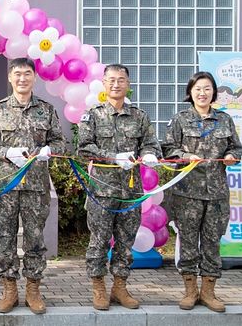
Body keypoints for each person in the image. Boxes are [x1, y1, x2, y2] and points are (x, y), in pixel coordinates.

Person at [0, 58, 66, 314]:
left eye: (27, 74)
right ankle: (9, 289)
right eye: (17, 74)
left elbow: (60, 143)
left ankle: (33, 289)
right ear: (10, 77)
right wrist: (7, 152)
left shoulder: (47, 110)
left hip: (36, 187)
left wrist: (49, 150)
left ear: (34, 77)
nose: (22, 79)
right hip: (6, 187)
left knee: (35, 239)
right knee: (5, 239)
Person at [77, 64, 162, 310]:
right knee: (99, 240)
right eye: (111, 80)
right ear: (104, 83)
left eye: (121, 80)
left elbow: (151, 144)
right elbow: (83, 147)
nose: (116, 84)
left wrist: (147, 155)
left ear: (128, 84)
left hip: (131, 192)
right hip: (102, 192)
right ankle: (99, 287)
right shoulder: (92, 115)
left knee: (126, 241)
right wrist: (113, 157)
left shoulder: (139, 116)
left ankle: (120, 287)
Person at [162, 71, 242, 312]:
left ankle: (208, 292)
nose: (202, 93)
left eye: (207, 88)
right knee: (187, 242)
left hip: (216, 193)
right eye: (198, 89)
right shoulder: (180, 119)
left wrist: (231, 157)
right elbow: (168, 148)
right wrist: (186, 156)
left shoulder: (225, 120)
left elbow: (236, 147)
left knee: (211, 242)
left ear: (213, 92)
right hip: (187, 193)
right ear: (191, 92)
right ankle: (189, 291)